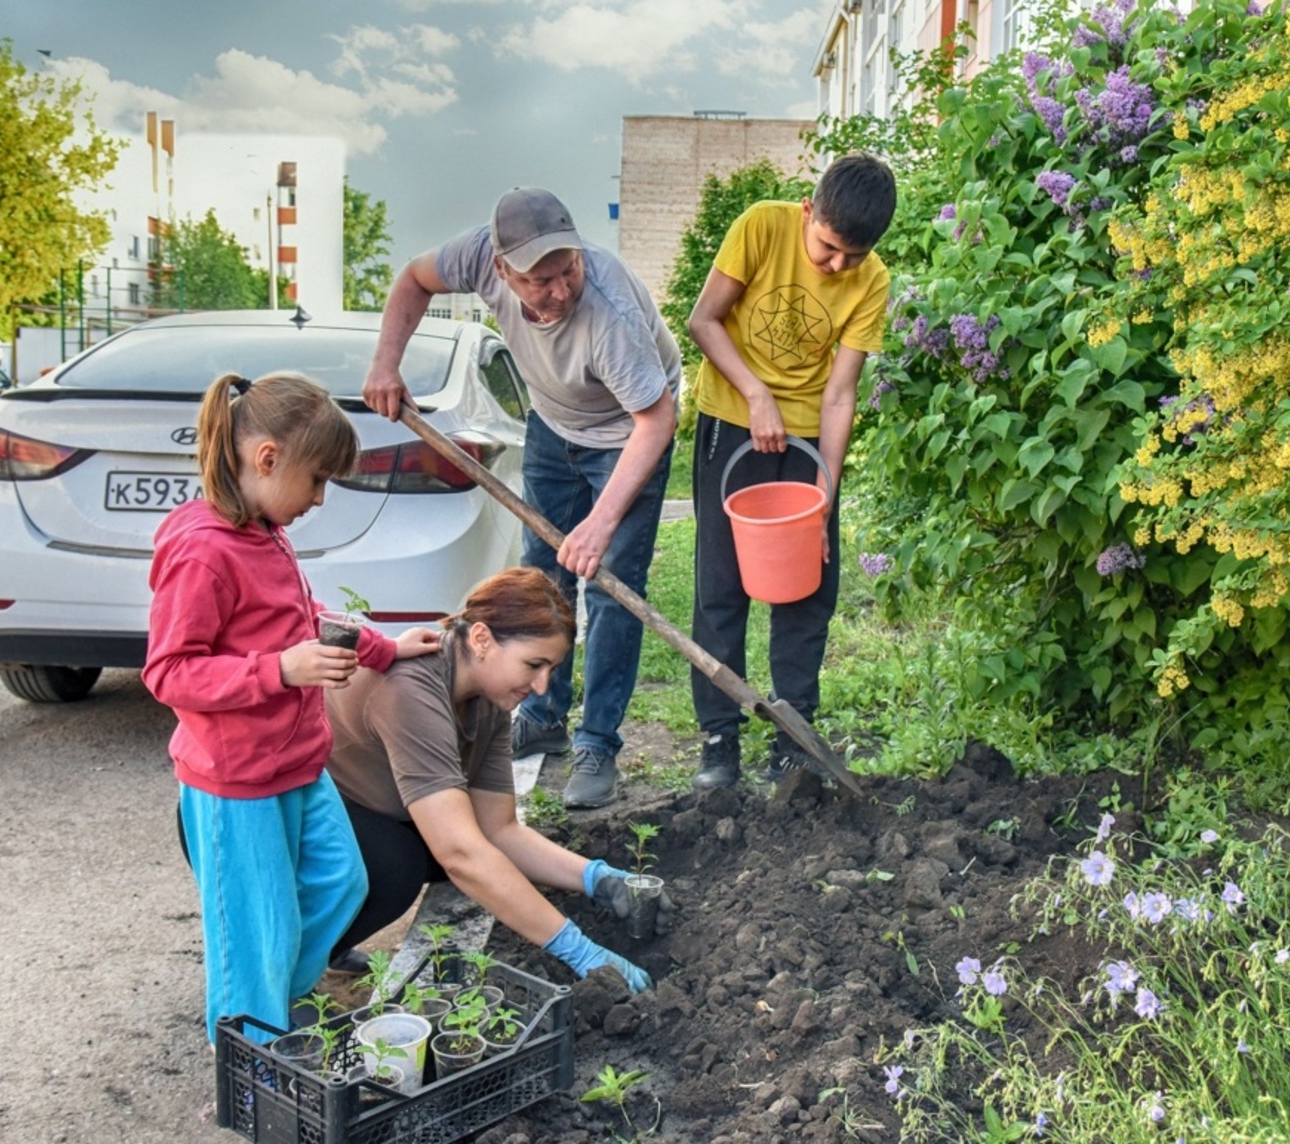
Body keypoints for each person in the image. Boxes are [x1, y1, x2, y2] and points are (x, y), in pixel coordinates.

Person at [144, 372, 441, 1043]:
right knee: (257, 933)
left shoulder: (263, 529)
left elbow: (303, 614)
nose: (320, 497)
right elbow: (169, 672)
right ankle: (251, 1052)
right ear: (268, 458)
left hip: (297, 767)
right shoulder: (202, 550)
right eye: (317, 480)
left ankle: (272, 998)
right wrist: (278, 669)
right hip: (236, 783)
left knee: (341, 884)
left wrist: (383, 648)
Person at [364, 188, 680, 810]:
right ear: (502, 270)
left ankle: (597, 742)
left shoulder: (609, 314)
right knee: (542, 577)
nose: (560, 290)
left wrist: (600, 523)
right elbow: (414, 280)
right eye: (541, 280)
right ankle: (543, 714)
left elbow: (656, 420)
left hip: (628, 434)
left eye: (569, 270)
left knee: (612, 585)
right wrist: (385, 364)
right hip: (553, 425)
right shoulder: (476, 255)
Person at [324, 567, 661, 993]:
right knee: (400, 865)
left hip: (382, 805)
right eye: (534, 665)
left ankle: (329, 942)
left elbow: (498, 829)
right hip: (316, 814)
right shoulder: (411, 689)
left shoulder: (488, 697)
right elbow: (460, 854)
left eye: (551, 669)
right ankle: (299, 962)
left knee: (464, 847)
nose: (542, 686)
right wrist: (578, 950)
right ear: (481, 639)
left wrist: (598, 878)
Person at [686, 154, 896, 790]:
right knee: (722, 583)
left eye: (854, 257)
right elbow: (703, 320)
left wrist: (825, 492)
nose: (837, 267)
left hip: (806, 438)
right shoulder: (761, 226)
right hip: (731, 419)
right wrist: (756, 394)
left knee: (807, 585)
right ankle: (719, 737)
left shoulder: (872, 280)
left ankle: (794, 737)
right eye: (829, 248)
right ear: (808, 211)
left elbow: (840, 394)